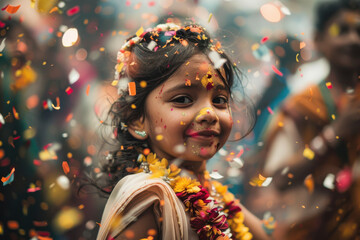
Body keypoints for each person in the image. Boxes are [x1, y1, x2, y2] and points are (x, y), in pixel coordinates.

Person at [93, 22, 274, 240]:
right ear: (137, 121)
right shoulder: (149, 198)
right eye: (183, 99)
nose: (209, 113)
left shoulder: (216, 195)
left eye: (219, 100)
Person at [251, 0, 360, 239]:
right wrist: (334, 133)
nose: (354, 40)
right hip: (309, 231)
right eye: (342, 31)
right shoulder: (302, 105)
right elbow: (279, 178)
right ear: (319, 39)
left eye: (359, 32)